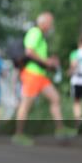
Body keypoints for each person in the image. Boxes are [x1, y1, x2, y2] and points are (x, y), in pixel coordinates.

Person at [12, 12, 75, 146]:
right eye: (50, 22)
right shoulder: (35, 32)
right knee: (26, 104)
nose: (52, 25)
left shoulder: (41, 36)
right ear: (44, 22)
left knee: (55, 98)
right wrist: (46, 62)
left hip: (40, 75)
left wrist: (49, 61)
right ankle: (18, 135)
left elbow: (37, 54)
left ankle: (60, 129)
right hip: (32, 74)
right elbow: (29, 51)